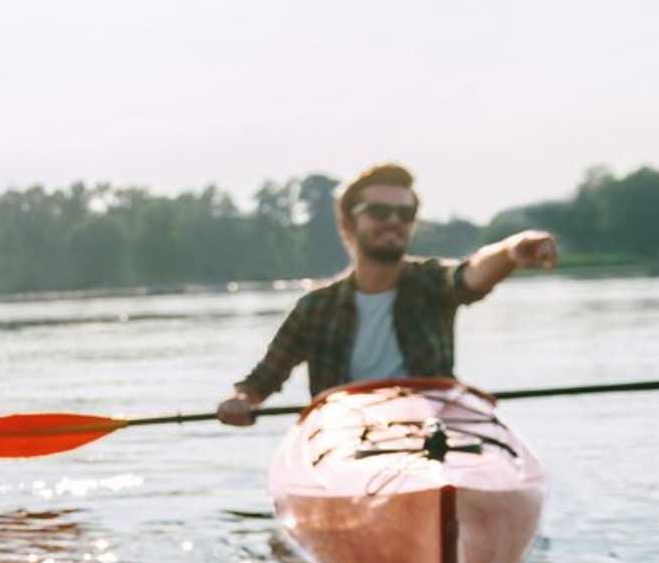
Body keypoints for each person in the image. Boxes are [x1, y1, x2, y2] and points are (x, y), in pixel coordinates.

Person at [216, 163, 560, 425]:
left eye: (405, 213)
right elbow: (261, 381)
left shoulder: (430, 282)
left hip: (431, 430)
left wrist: (512, 251)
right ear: (348, 224)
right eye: (379, 212)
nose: (394, 220)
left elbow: (471, 274)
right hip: (345, 436)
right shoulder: (315, 308)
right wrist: (241, 400)